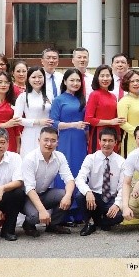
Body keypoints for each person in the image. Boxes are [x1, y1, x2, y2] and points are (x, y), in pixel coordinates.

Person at [19, 127, 76, 236]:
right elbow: (29, 188)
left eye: (53, 140)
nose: (49, 144)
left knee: (67, 195)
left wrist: (68, 196)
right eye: (46, 140)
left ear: (57, 142)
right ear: (39, 141)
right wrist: (42, 210)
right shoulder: (30, 159)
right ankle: (28, 225)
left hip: (44, 193)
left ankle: (53, 225)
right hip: (27, 197)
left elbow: (69, 179)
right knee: (35, 216)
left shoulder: (60, 156)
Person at [49, 68, 90, 213]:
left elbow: (86, 122)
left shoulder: (82, 99)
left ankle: (79, 212)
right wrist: (73, 125)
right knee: (65, 170)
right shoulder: (58, 100)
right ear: (65, 81)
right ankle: (64, 211)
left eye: (78, 80)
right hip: (65, 140)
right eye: (72, 80)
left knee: (80, 170)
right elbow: (53, 122)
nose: (75, 83)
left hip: (80, 140)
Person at [73, 128, 125, 236]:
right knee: (80, 196)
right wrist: (88, 192)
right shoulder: (90, 158)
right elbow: (80, 178)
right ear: (99, 141)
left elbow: (123, 187)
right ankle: (89, 222)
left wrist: (117, 204)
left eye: (110, 141)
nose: (107, 144)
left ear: (115, 142)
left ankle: (100, 221)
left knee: (119, 216)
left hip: (110, 197)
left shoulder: (121, 162)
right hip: (94, 196)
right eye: (104, 140)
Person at [84, 65, 125, 155]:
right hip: (99, 135)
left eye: (108, 76)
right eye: (102, 76)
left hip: (112, 135)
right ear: (97, 78)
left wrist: (118, 137)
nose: (105, 79)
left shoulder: (113, 96)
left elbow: (115, 118)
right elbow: (89, 119)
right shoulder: (94, 95)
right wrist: (110, 122)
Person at [14, 66, 53, 157]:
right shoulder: (23, 96)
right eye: (33, 77)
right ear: (28, 79)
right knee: (30, 158)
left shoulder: (49, 95)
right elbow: (17, 119)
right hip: (30, 133)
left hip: (47, 133)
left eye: (40, 77)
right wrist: (37, 122)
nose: (37, 80)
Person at [117, 70, 139, 158]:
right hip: (132, 138)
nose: (135, 83)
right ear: (127, 84)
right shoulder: (124, 101)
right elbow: (122, 123)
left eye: (138, 80)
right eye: (132, 81)